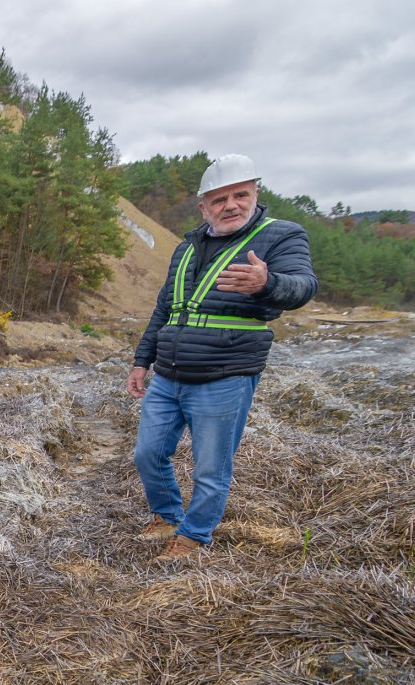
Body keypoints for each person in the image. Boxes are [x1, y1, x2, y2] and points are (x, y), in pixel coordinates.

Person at [127, 154, 318, 559]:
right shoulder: (186, 248)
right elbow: (166, 309)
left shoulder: (282, 236)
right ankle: (167, 517)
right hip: (169, 374)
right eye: (219, 199)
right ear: (204, 207)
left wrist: (267, 283)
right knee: (148, 453)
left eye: (240, 195)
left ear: (255, 194)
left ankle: (195, 536)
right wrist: (142, 360)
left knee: (211, 468)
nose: (230, 205)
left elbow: (302, 287)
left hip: (226, 373)